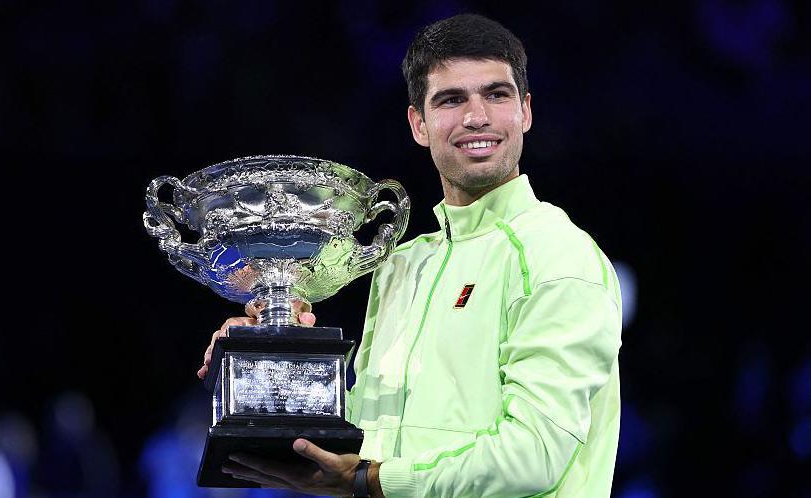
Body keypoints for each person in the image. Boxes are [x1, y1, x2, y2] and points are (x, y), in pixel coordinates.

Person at [198, 14, 622, 498]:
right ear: (418, 123)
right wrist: (274, 361)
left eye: (496, 95)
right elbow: (358, 438)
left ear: (525, 111)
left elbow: (534, 456)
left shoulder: (558, 255)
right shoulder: (403, 264)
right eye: (451, 99)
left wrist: (369, 481)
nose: (476, 116)